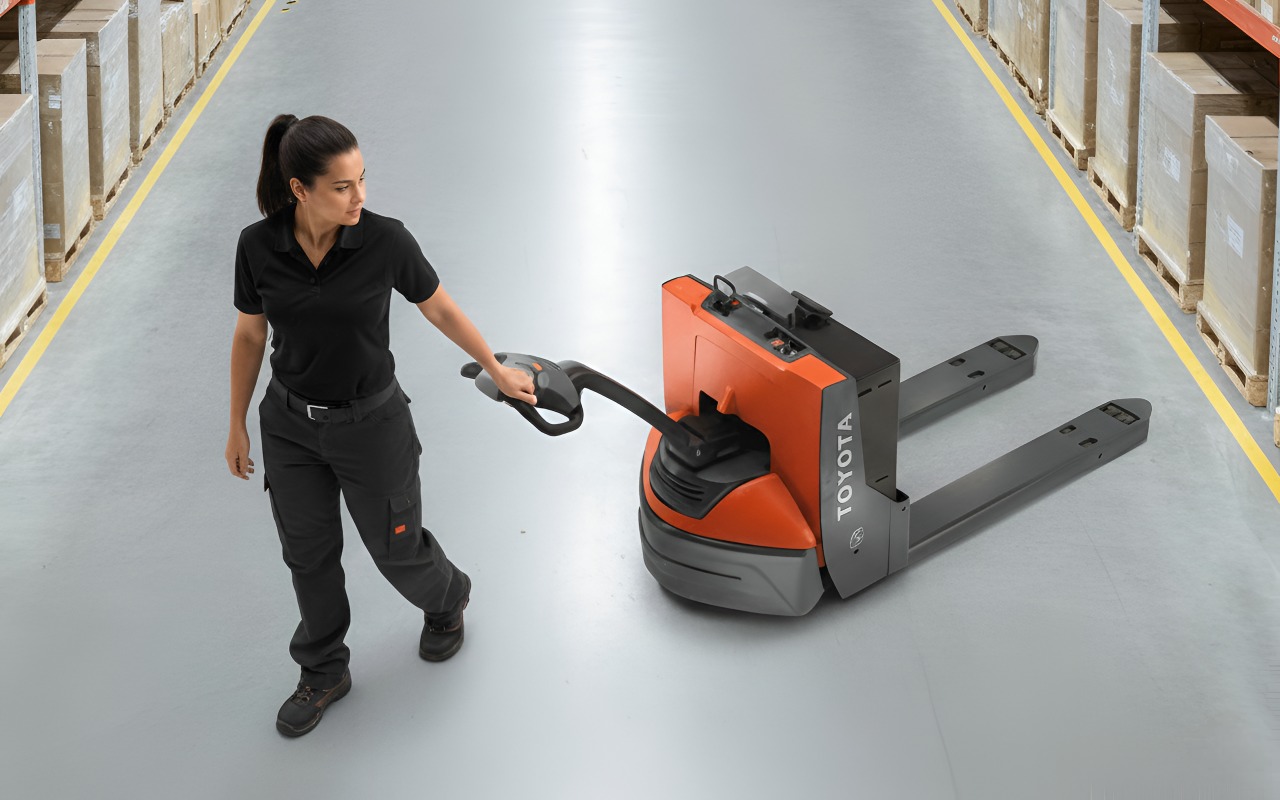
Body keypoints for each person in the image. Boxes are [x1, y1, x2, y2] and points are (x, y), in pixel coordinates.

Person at [224, 114, 536, 738]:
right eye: (342, 186)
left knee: (395, 548)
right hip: (289, 426)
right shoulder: (258, 246)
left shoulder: (385, 240)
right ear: (299, 190)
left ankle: (447, 601)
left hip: (372, 425)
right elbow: (250, 331)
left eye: (362, 179)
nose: (360, 196)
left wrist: (496, 368)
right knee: (308, 556)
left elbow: (439, 307)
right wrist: (235, 423)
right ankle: (322, 670)